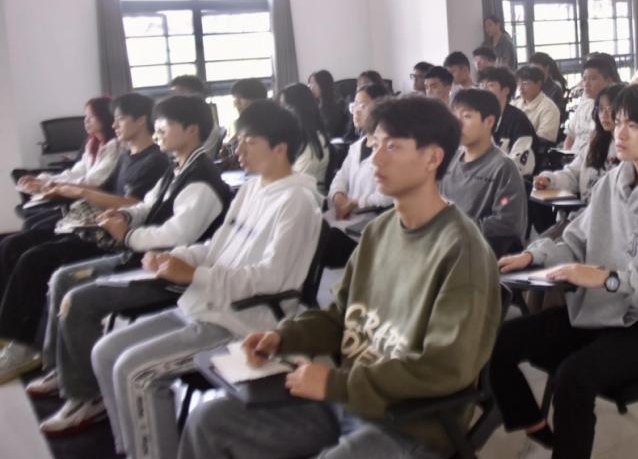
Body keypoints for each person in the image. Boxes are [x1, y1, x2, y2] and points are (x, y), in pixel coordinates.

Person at [178, 96, 501, 459]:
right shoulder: (380, 230)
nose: (376, 160)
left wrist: (336, 383)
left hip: (409, 423)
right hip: (347, 399)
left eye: (393, 147)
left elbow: (444, 368)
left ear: (433, 158)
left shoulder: (462, 251)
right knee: (209, 421)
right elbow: (341, 315)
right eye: (375, 145)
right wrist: (284, 337)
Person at [491, 85, 638, 458]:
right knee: (499, 341)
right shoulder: (615, 180)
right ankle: (535, 425)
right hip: (602, 311)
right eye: (620, 122)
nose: (619, 132)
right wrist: (535, 256)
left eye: (634, 125)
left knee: (573, 377)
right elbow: (576, 238)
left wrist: (610, 278)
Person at [91, 100, 322, 459]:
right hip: (204, 304)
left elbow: (272, 280)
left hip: (242, 321)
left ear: (280, 148)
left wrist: (195, 275)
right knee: (105, 352)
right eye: (238, 140)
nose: (238, 151)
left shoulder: (298, 201)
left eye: (250, 142)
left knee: (137, 373)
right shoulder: (251, 189)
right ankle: (134, 448)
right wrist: (179, 258)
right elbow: (217, 245)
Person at [26, 97, 233, 432]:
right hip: (143, 259)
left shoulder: (202, 180)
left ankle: (86, 396)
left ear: (191, 130)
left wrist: (129, 235)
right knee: (63, 277)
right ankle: (64, 371)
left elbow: (176, 234)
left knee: (78, 300)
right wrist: (124, 215)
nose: (157, 130)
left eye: (164, 125)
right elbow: (146, 204)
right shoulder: (177, 167)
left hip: (169, 274)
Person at [0, 94, 169, 386]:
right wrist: (60, 188)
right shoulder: (127, 155)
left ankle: (24, 345)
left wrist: (80, 193)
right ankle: (14, 333)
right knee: (11, 245)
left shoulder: (154, 160)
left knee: (33, 260)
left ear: (141, 120)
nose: (114, 125)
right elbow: (98, 187)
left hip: (111, 240)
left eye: (120, 119)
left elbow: (134, 204)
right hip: (91, 226)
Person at [4, 97, 119, 292]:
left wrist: (52, 185)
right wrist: (42, 180)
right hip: (75, 200)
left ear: (105, 118)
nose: (85, 121)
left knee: (26, 243)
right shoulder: (93, 143)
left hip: (88, 207)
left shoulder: (115, 146)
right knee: (23, 232)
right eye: (85, 117)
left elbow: (93, 181)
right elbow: (76, 172)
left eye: (91, 117)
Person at [441, 89, 528, 256]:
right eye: (454, 116)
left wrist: (455, 229)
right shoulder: (450, 159)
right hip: (447, 246)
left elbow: (507, 223)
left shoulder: (503, 167)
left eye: (466, 116)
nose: (457, 123)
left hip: (480, 254)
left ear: (489, 122)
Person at [533, 84, 624, 208]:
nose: (604, 114)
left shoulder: (629, 149)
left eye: (610, 108)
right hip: (586, 211)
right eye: (601, 109)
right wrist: (550, 180)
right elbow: (573, 175)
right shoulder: (595, 143)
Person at [327, 84, 393, 235]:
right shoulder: (356, 146)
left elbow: (388, 195)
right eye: (355, 105)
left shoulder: (389, 148)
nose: (356, 111)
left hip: (369, 223)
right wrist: (339, 197)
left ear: (380, 108)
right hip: (345, 216)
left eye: (363, 106)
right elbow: (340, 177)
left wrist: (355, 203)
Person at [479, 66, 537, 177]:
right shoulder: (480, 118)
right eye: (482, 85)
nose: (484, 89)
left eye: (490, 85)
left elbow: (519, 164)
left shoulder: (519, 120)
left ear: (505, 90)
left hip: (510, 180)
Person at [280, 83, 330, 187]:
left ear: (299, 108)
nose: (281, 113)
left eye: (285, 107)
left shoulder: (312, 144)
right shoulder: (297, 138)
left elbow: (294, 184)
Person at [563, 57, 615, 156]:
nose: (586, 84)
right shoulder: (584, 105)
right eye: (584, 79)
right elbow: (570, 138)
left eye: (593, 79)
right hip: (573, 158)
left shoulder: (613, 110)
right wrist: (566, 156)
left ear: (608, 81)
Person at [170, 75, 224, 158]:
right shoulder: (181, 123)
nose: (174, 100)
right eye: (174, 94)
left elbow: (202, 156)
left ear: (196, 95)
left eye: (179, 94)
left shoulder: (206, 125)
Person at [513, 64, 561, 144]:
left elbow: (544, 141)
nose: (520, 88)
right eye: (518, 83)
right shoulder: (514, 104)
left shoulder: (549, 108)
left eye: (525, 83)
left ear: (538, 84)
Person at [308, 70, 351, 139]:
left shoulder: (339, 105)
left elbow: (330, 131)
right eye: (310, 84)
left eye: (314, 83)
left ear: (323, 84)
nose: (311, 87)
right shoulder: (315, 105)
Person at [528, 51, 568, 117]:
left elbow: (547, 110)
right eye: (532, 71)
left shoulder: (555, 88)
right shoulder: (533, 85)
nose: (535, 74)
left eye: (537, 70)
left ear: (547, 68)